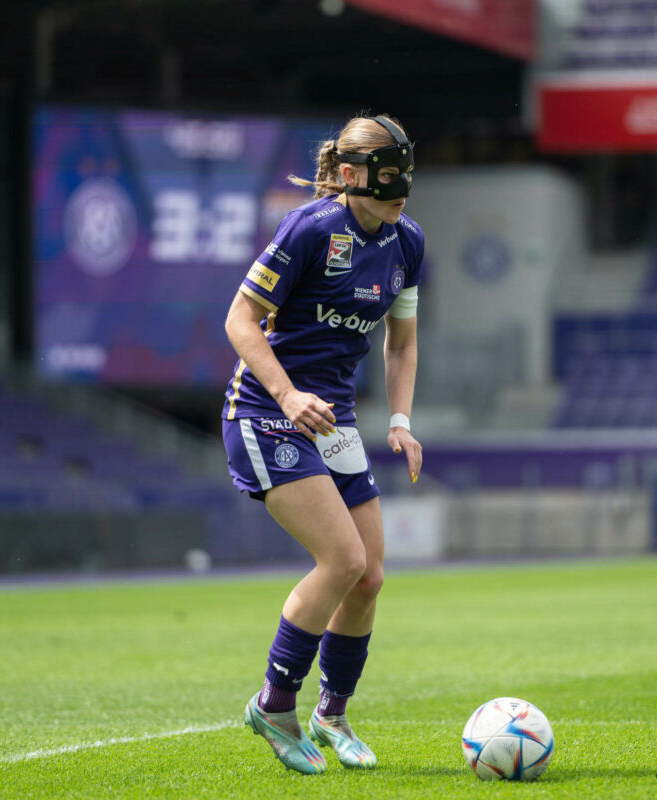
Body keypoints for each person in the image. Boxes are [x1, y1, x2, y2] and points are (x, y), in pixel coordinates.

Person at [222, 114, 424, 775]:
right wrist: (286, 396)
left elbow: (401, 343)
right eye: (387, 176)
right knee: (341, 560)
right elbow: (240, 319)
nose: (400, 192)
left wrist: (400, 420)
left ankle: (331, 715)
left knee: (369, 576)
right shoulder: (309, 229)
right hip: (267, 413)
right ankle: (274, 705)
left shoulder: (408, 242)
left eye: (405, 176)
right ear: (349, 174)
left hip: (334, 424)